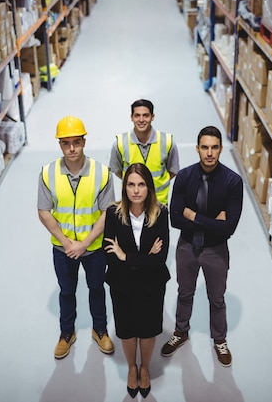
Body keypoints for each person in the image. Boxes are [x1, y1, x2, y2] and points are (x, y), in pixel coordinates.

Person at [161, 125, 243, 367]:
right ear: (197, 148)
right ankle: (181, 332)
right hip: (187, 247)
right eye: (205, 147)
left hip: (216, 250)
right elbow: (175, 218)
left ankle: (220, 340)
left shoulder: (232, 182)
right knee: (184, 293)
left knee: (216, 298)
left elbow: (228, 228)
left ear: (220, 149)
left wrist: (194, 216)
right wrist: (212, 221)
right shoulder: (185, 177)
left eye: (215, 147)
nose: (209, 153)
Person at [37, 115, 116, 360]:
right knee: (67, 291)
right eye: (66, 143)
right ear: (60, 144)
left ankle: (99, 329)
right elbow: (43, 211)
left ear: (84, 141)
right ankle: (66, 333)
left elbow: (107, 213)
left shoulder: (102, 173)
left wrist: (83, 244)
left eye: (76, 142)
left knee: (96, 288)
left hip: (93, 247)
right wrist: (66, 242)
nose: (72, 148)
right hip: (63, 249)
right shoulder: (48, 173)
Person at [103, 163, 170, 398]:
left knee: (149, 329)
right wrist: (143, 258)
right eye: (131, 184)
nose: (136, 190)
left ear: (149, 188)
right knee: (128, 329)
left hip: (152, 285)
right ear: (125, 188)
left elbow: (160, 258)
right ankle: (132, 367)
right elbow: (110, 254)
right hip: (122, 285)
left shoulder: (161, 213)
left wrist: (127, 257)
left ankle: (144, 368)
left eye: (141, 184)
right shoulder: (113, 213)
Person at [109, 99, 180, 205]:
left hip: (158, 203)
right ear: (131, 117)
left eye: (146, 115)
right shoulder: (120, 143)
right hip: (132, 204)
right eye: (137, 115)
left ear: (153, 117)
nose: (141, 120)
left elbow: (173, 170)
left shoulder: (167, 142)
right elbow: (117, 170)